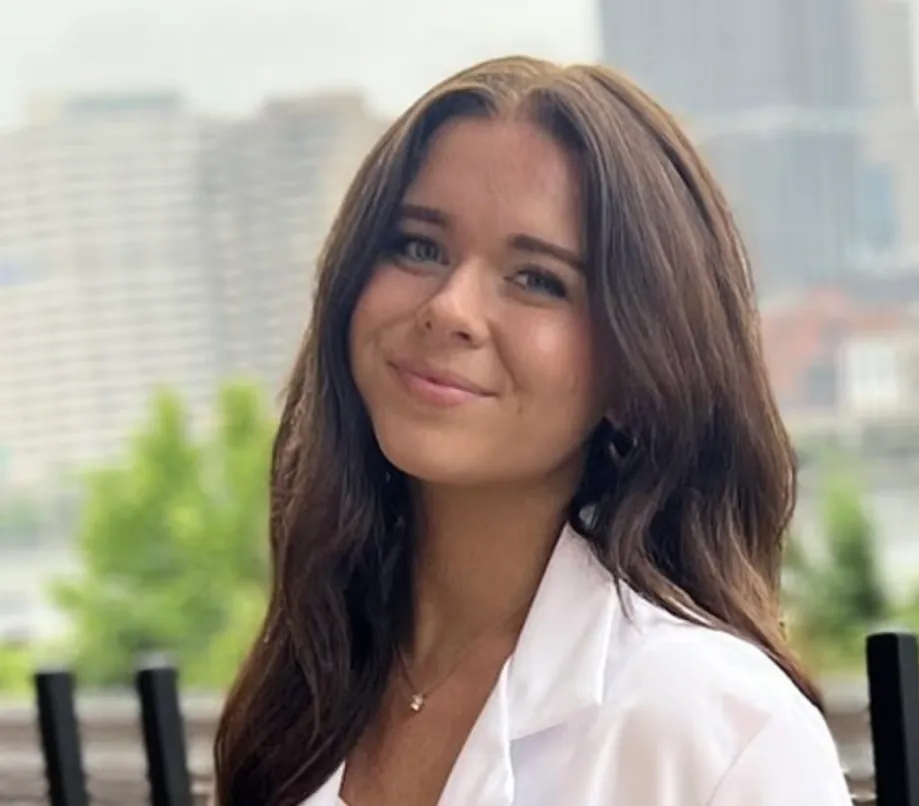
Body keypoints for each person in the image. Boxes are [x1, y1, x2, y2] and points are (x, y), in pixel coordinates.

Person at [213, 56, 851, 806]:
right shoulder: (307, 687)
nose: (449, 308)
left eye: (537, 279)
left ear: (639, 364)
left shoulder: (716, 732)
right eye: (418, 246)